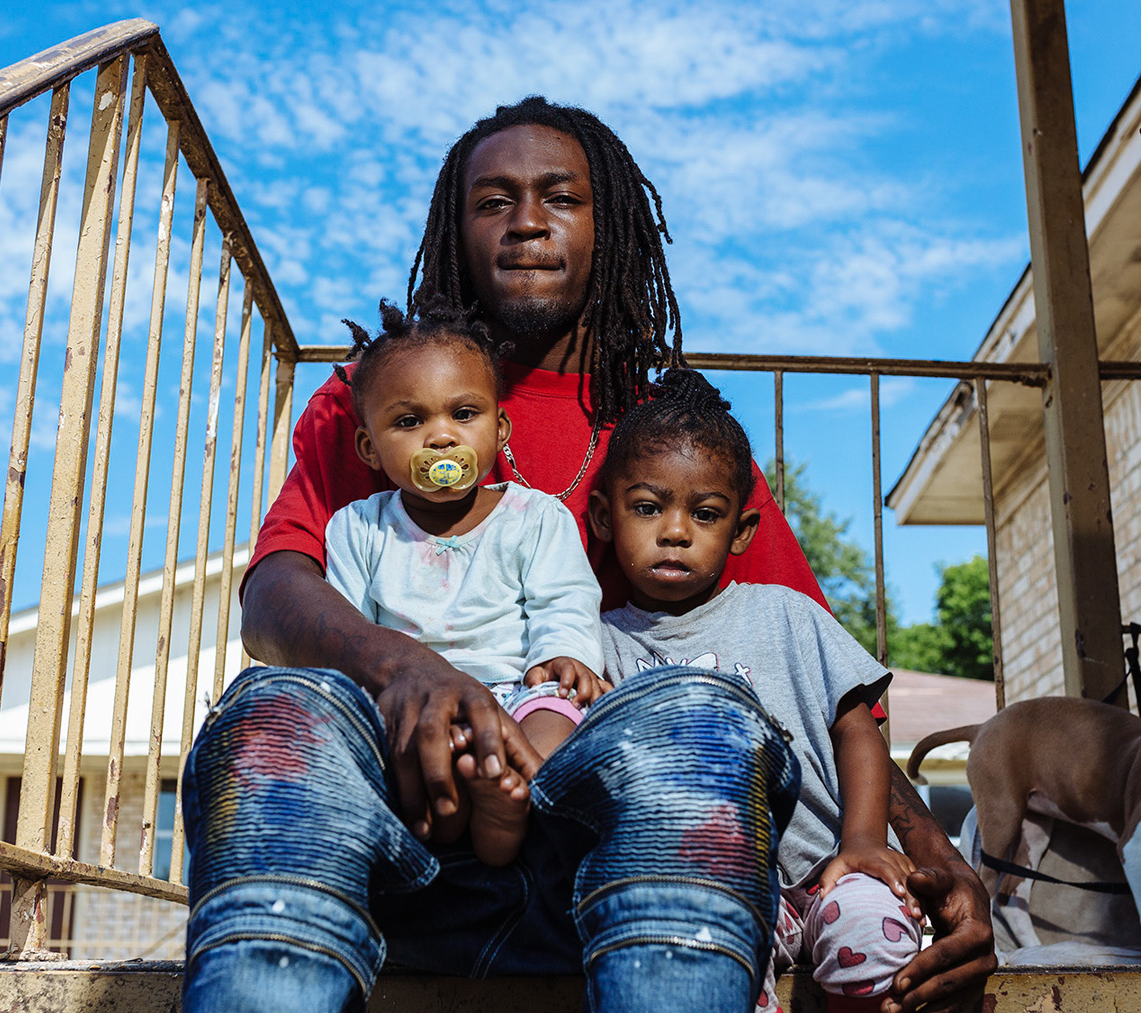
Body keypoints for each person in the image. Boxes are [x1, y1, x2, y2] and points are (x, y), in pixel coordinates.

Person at [195, 96, 993, 1013]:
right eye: (493, 200)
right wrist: (401, 666)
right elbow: (275, 595)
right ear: (455, 233)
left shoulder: (677, 440)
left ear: (606, 226)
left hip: (625, 868)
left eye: (559, 197)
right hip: (398, 843)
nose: (527, 220)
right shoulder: (385, 398)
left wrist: (927, 851)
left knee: (700, 711)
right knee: (274, 709)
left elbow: (809, 674)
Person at [591, 369, 921, 1012]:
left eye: (704, 514)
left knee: (872, 941)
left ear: (740, 533)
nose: (676, 531)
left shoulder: (787, 615)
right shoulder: (595, 645)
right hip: (713, 886)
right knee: (702, 957)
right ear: (606, 516)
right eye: (648, 508)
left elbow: (859, 727)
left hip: (830, 868)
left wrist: (863, 842)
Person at [322, 300, 609, 865]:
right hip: (412, 703)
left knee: (559, 712)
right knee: (366, 739)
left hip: (517, 694)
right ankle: (467, 803)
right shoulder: (357, 528)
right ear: (369, 447)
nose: (441, 438)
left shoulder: (536, 517)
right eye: (410, 422)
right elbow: (347, 634)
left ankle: (518, 793)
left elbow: (566, 601)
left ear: (498, 429)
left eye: (464, 414)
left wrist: (564, 655)